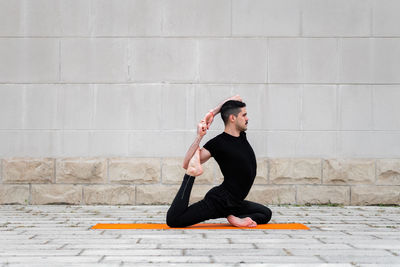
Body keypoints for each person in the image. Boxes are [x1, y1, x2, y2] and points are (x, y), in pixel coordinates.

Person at [166, 95, 272, 228]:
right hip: (220, 201)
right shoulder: (218, 143)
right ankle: (190, 176)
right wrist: (199, 137)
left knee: (266, 213)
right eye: (244, 115)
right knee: (174, 220)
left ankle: (237, 219)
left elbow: (236, 98)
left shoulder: (241, 135)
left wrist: (212, 113)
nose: (247, 118)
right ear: (232, 118)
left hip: (236, 203)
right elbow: (186, 163)